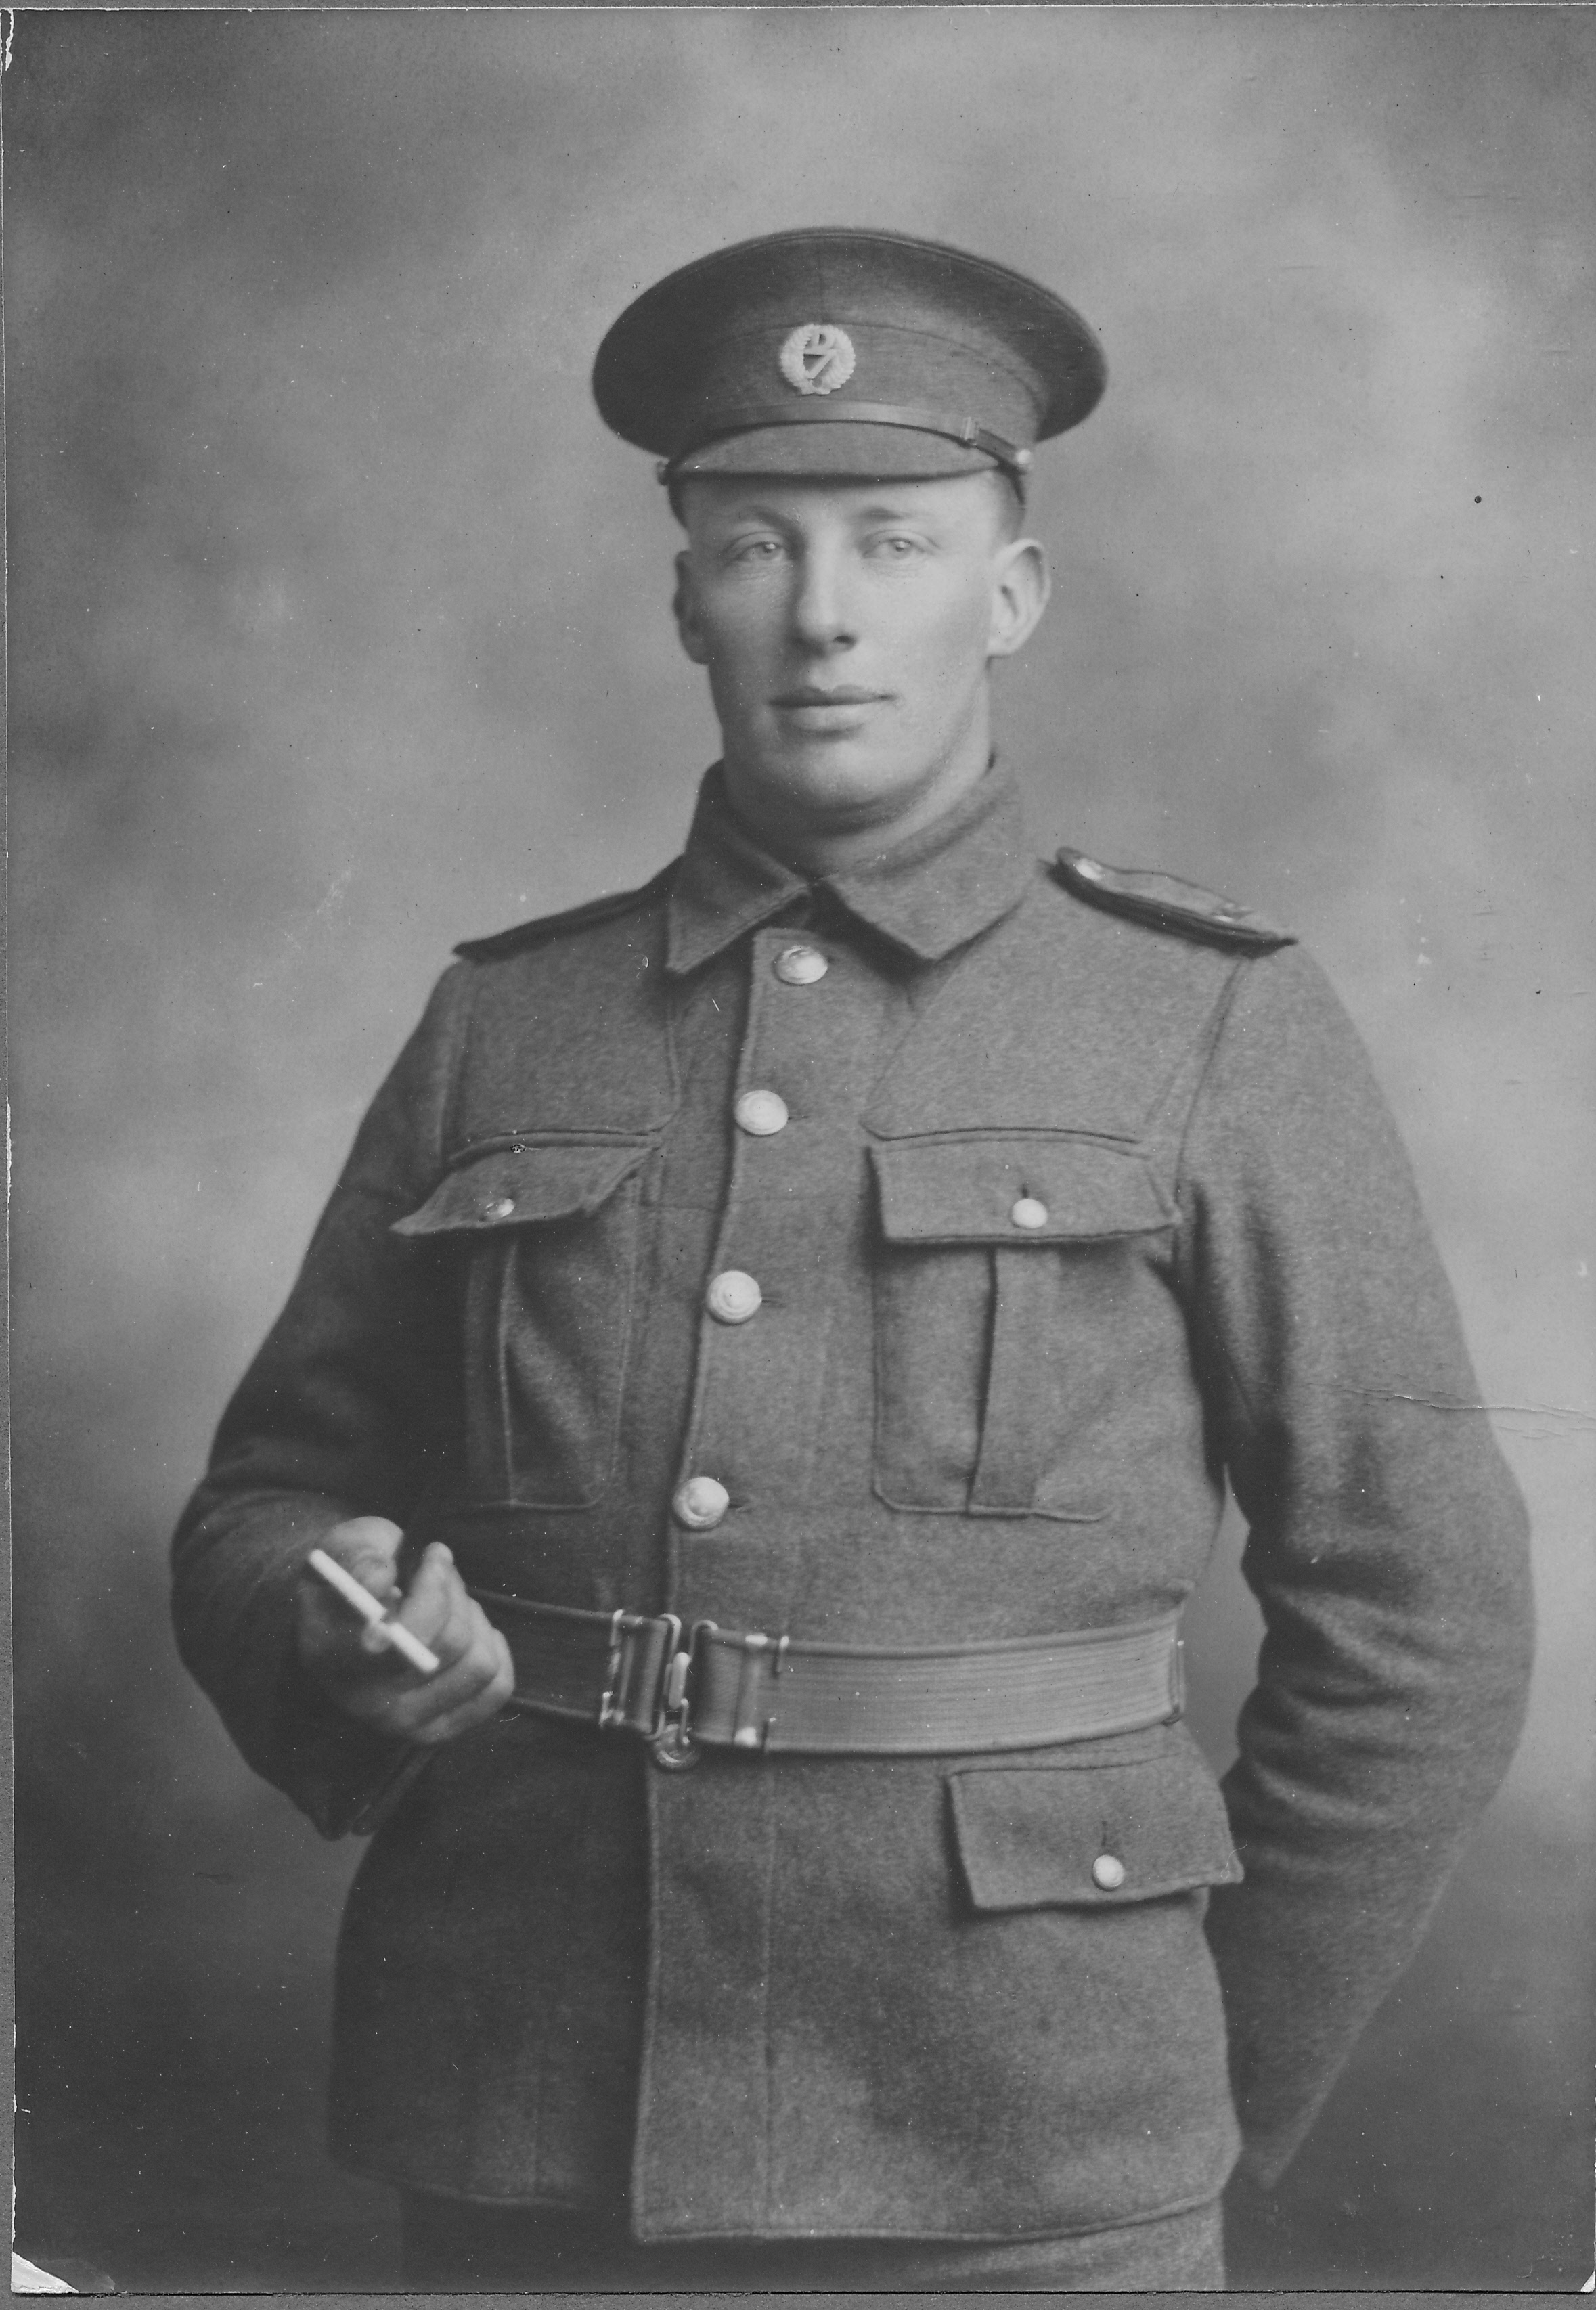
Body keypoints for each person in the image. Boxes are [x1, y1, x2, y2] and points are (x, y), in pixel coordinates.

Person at [171, 227, 1534, 2291]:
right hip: (530, 2127)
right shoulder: (503, 1023)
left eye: (893, 543)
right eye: (755, 546)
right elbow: (264, 1497)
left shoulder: (1208, 1020)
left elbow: (1421, 1605)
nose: (821, 616)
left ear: (1011, 594)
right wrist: (338, 1623)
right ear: (682, 594)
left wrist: (1187, 2087)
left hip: (1034, 2147)